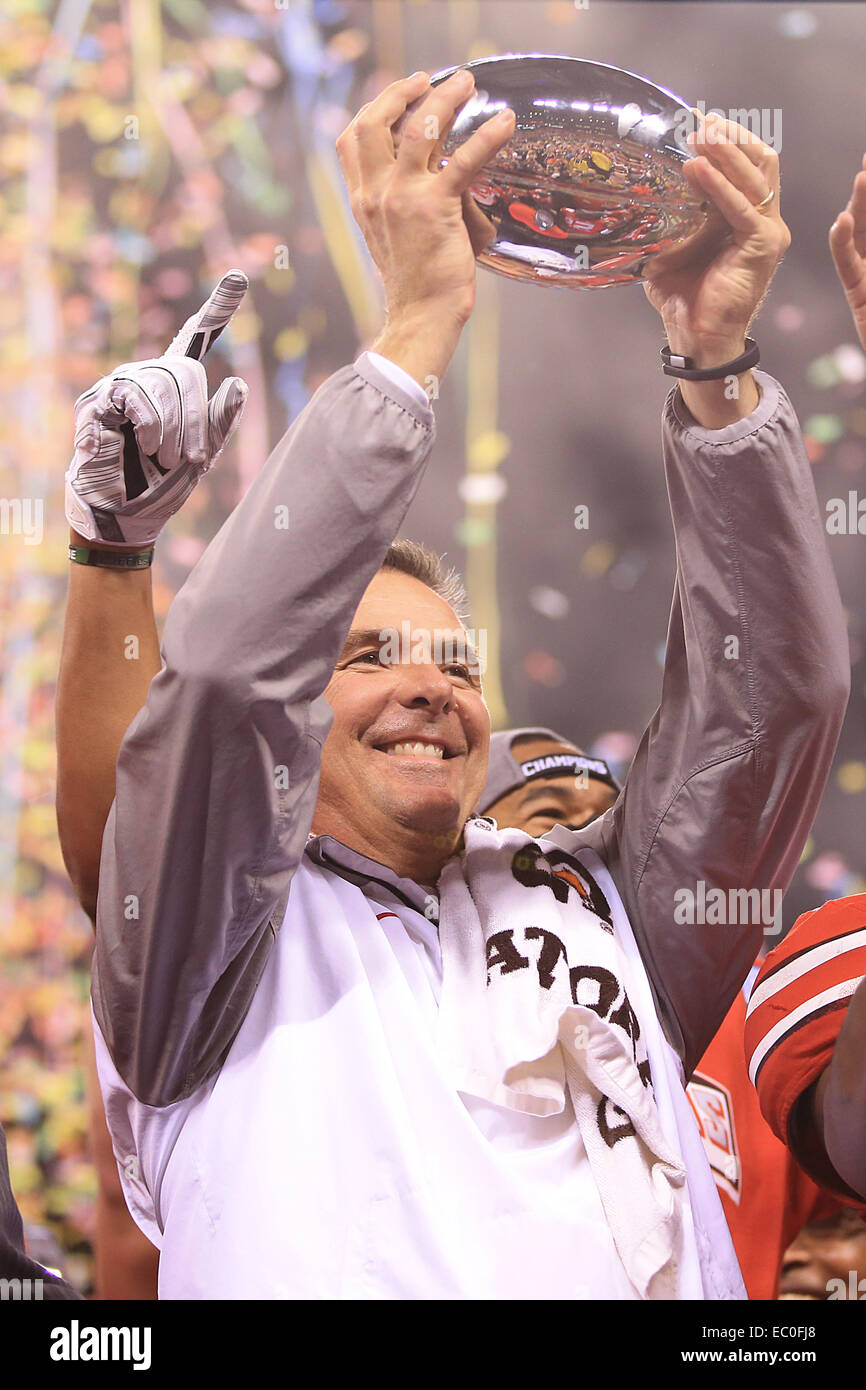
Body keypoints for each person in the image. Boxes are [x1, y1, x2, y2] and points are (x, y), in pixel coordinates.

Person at [57, 70, 848, 1299]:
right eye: (366, 659)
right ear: (285, 736)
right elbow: (222, 676)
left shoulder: (613, 910)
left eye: (454, 664)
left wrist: (713, 359)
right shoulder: (201, 941)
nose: (430, 690)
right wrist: (417, 323)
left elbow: (776, 704)